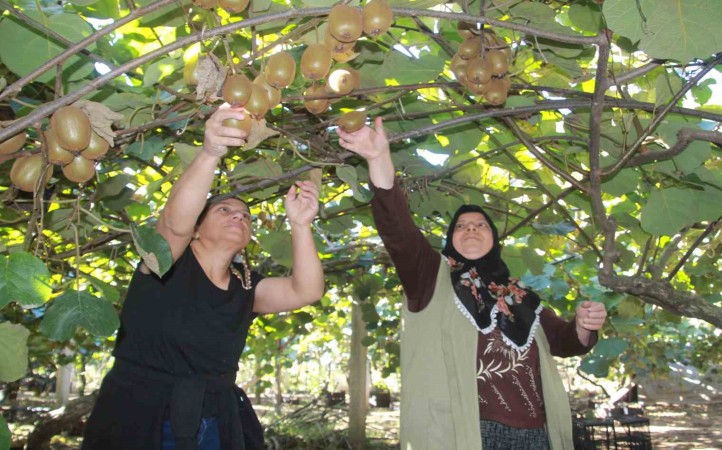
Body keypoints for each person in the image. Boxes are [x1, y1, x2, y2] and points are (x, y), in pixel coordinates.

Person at [337, 117, 607, 450]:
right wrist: (378, 159)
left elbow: (565, 341)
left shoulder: (520, 295)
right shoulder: (429, 277)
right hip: (466, 435)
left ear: (494, 239)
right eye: (462, 226)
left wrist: (584, 325)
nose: (471, 229)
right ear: (451, 239)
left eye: (481, 225)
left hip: (536, 435)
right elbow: (399, 232)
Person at [82, 105, 324, 450]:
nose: (238, 217)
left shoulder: (246, 284)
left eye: (245, 215)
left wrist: (300, 224)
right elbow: (174, 223)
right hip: (139, 414)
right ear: (196, 230)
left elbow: (307, 290)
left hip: (211, 419)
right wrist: (210, 151)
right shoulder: (165, 263)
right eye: (224, 210)